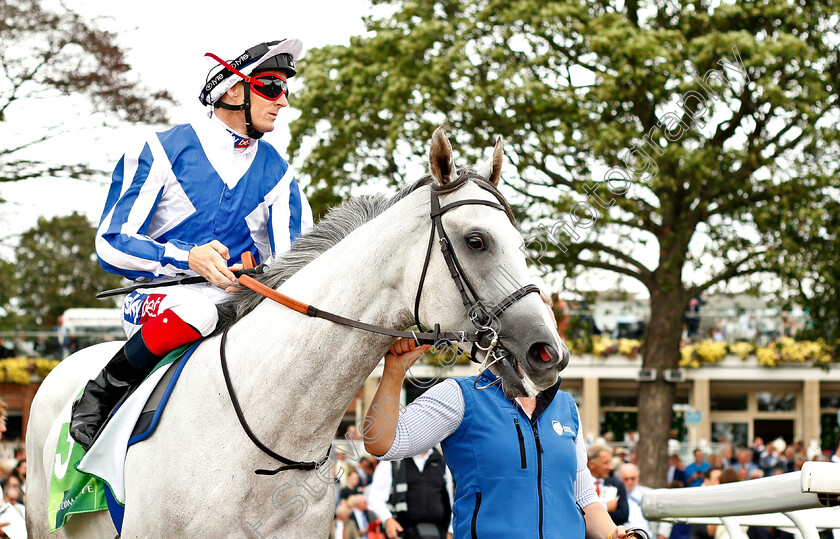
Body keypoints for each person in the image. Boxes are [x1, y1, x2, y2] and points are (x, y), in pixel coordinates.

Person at [69, 39, 313, 450]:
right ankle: (103, 391)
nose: (283, 101)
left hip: (237, 302)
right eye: (271, 87)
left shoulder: (279, 173)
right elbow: (110, 244)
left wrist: (260, 274)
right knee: (203, 309)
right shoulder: (161, 151)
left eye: (286, 89)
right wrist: (187, 258)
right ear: (233, 91)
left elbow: (297, 264)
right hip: (160, 297)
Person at [362, 335, 631, 539]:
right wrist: (395, 371)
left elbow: (584, 496)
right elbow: (383, 443)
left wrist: (614, 534)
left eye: (550, 324)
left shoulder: (566, 406)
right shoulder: (460, 395)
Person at [367, 447, 454, 539]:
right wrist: (387, 519)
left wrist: (450, 530)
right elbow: (375, 497)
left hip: (438, 532)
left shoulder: (442, 461)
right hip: (403, 532)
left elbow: (451, 500)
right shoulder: (393, 460)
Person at [588, 446, 630, 526]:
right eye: (605, 463)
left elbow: (623, 515)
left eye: (610, 463)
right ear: (591, 464)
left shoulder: (617, 485)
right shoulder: (580, 486)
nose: (610, 467)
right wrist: (606, 507)